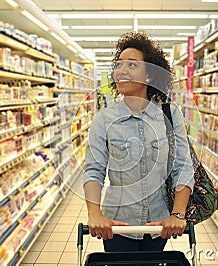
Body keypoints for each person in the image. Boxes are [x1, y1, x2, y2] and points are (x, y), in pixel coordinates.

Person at [83, 31, 195, 252]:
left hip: (158, 226)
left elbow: (183, 167)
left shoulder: (170, 115)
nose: (122, 71)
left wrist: (178, 214)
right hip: (117, 225)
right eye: (119, 65)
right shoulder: (104, 119)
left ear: (149, 76)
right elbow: (94, 170)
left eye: (132, 65)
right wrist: (95, 213)